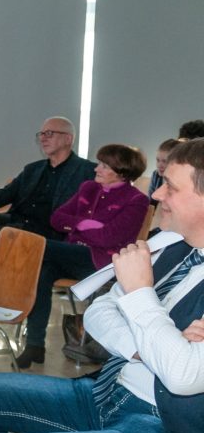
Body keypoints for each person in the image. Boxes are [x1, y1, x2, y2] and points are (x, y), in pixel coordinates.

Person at [0, 138, 204, 433]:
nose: (156, 194)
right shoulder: (173, 244)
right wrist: (150, 347)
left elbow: (183, 377)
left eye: (171, 185)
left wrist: (139, 294)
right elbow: (100, 309)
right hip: (110, 392)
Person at [15, 143, 150, 368]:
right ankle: (35, 345)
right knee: (42, 271)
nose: (96, 169)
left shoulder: (136, 200)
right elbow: (57, 219)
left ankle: (14, 267)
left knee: (35, 246)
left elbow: (109, 238)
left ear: (122, 172)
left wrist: (76, 228)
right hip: (70, 255)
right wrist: (84, 224)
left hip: (100, 263)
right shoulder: (89, 188)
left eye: (104, 166)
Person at [0, 116, 96, 244]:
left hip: (52, 233)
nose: (43, 138)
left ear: (68, 139)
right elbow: (4, 195)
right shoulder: (33, 169)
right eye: (41, 134)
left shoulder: (87, 171)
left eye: (49, 133)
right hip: (18, 223)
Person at [149, 138, 183, 202]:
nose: (159, 165)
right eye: (158, 160)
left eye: (165, 161)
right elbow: (151, 202)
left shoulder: (180, 180)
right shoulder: (155, 175)